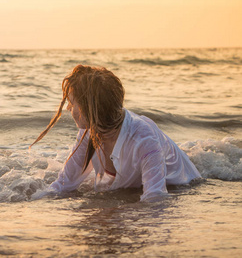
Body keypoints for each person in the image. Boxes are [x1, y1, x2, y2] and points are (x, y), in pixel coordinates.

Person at [31, 65, 201, 202]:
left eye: (72, 103)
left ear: (89, 109)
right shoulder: (89, 132)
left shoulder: (143, 137)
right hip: (136, 189)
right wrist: (33, 202)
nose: (68, 108)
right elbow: (64, 182)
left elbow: (155, 197)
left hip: (183, 188)